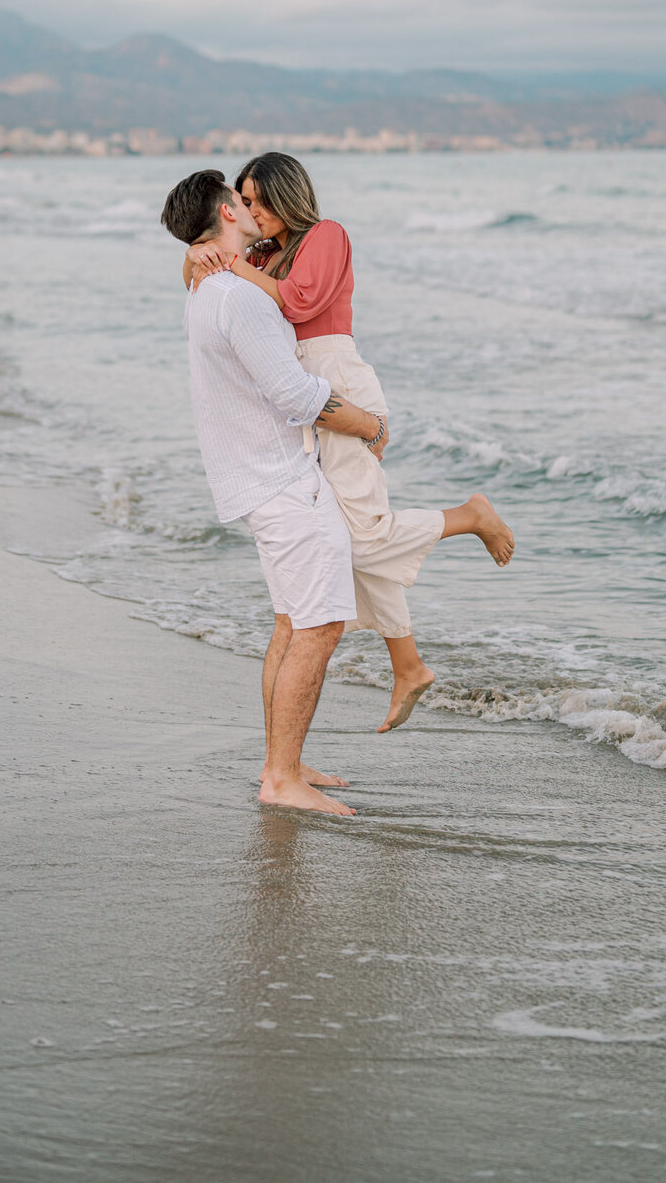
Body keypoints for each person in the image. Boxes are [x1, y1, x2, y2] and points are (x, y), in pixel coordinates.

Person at [185, 151, 514, 733]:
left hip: (337, 381)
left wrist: (231, 266)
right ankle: (407, 664)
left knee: (362, 539)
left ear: (286, 195)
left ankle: (469, 516)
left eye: (258, 199)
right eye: (243, 200)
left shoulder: (325, 235)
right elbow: (200, 277)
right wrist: (197, 254)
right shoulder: (264, 253)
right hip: (302, 390)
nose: (250, 209)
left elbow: (298, 303)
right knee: (348, 537)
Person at [162, 168, 392, 818]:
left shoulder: (210, 288)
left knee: (291, 624)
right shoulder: (239, 297)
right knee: (318, 628)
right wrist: (369, 424)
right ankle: (282, 778)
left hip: (256, 480)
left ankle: (280, 763)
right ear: (227, 213)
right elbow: (294, 397)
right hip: (285, 484)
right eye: (241, 200)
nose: (250, 207)